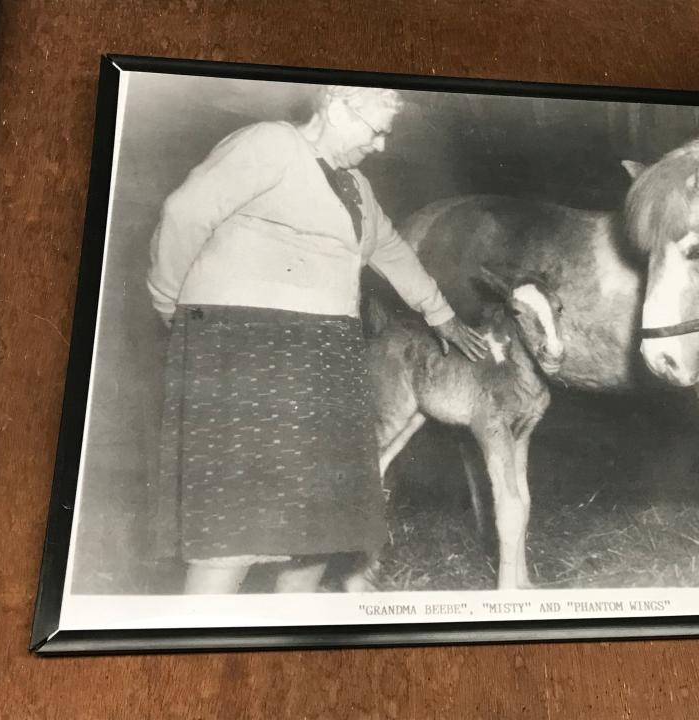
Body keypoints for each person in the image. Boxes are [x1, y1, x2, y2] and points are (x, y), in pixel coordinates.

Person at [148, 85, 487, 594]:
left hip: (324, 355)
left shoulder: (353, 185)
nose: (381, 145)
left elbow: (389, 249)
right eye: (377, 130)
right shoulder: (269, 144)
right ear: (337, 104)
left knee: (319, 522)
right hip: (248, 351)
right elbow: (183, 214)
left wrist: (440, 314)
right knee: (235, 522)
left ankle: (288, 637)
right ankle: (197, 648)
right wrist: (173, 304)